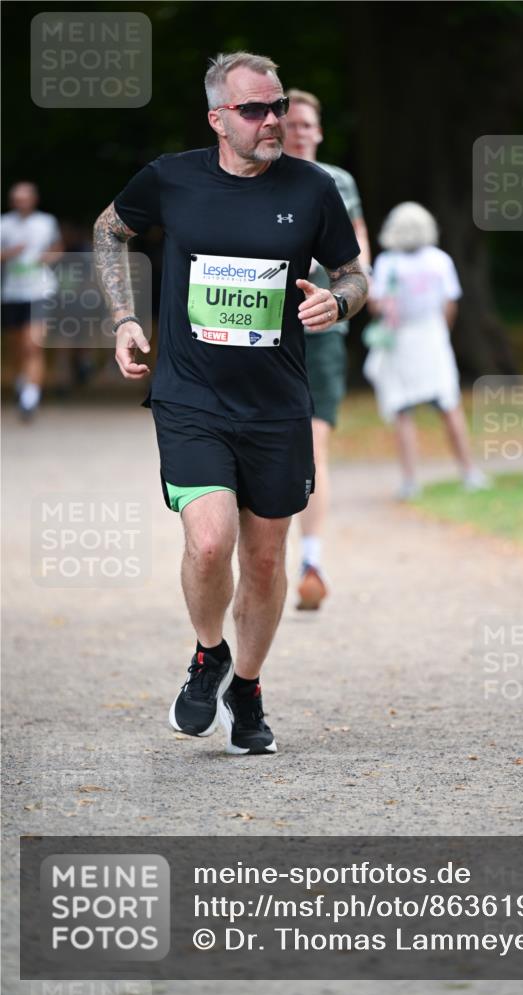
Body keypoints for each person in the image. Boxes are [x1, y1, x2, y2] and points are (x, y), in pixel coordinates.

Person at [93, 52, 366, 755]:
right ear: (218, 119)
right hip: (191, 396)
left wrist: (338, 302)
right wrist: (123, 318)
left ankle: (245, 688)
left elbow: (353, 271)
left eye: (278, 106)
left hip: (276, 403)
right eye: (254, 109)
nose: (271, 120)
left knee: (267, 561)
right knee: (210, 541)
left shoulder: (311, 187)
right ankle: (208, 652)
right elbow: (109, 230)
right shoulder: (172, 178)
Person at [283, 89, 371, 611]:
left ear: (318, 131)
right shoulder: (262, 177)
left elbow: (359, 256)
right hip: (264, 334)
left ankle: (311, 560)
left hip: (322, 334)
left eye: (306, 125)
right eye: (289, 124)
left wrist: (347, 294)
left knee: (314, 445)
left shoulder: (340, 182)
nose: (298, 132)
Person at [364, 201, 488, 498]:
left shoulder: (388, 263)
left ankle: (410, 480)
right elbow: (450, 303)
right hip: (432, 337)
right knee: (449, 404)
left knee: (402, 410)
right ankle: (469, 472)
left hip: (400, 340)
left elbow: (376, 305)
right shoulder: (440, 260)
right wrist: (442, 331)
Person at [1, 182, 62, 418]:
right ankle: (22, 381)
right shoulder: (4, 223)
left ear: (34, 199)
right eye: (17, 199)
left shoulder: (46, 222)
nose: (21, 203)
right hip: (12, 292)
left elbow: (58, 248)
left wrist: (49, 257)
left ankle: (30, 398)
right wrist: (9, 254)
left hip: (40, 290)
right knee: (17, 346)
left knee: (33, 344)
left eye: (25, 198)